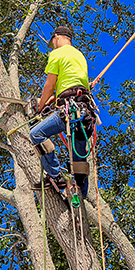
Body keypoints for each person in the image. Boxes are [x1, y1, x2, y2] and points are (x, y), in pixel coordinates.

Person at [30, 25, 97, 198]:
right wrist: (53, 100)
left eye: (52, 41)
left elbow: (49, 85)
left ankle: (55, 176)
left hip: (70, 109)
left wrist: (41, 105)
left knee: (36, 134)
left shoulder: (57, 54)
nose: (52, 44)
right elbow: (71, 84)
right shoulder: (79, 55)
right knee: (78, 161)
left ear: (56, 37)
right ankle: (81, 194)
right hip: (85, 113)